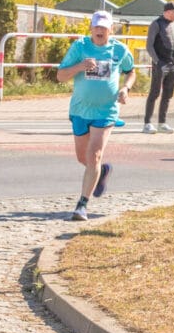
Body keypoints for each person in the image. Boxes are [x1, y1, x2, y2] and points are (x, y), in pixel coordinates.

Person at [57, 11, 136, 221]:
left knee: (94, 156)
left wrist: (126, 88)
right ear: (91, 29)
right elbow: (60, 75)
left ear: (111, 29)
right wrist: (80, 66)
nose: (100, 31)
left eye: (104, 27)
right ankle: (101, 172)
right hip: (80, 110)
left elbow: (131, 71)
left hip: (106, 111)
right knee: (83, 158)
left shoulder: (119, 49)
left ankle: (82, 205)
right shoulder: (80, 47)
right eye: (96, 27)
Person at [143, 1, 174, 134]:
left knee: (168, 94)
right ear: (168, 12)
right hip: (161, 64)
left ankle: (162, 123)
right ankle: (147, 123)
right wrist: (157, 61)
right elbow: (149, 45)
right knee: (154, 93)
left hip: (173, 64)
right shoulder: (156, 24)